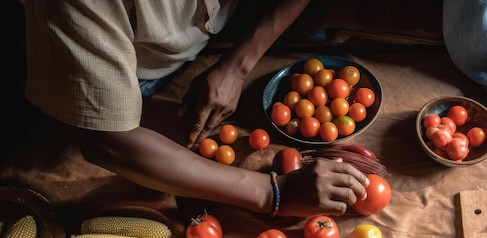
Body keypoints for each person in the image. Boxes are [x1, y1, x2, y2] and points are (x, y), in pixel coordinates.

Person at [21, 0, 370, 217]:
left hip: (222, 22)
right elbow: (106, 141)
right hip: (134, 63)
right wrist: (272, 193)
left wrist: (238, 65)